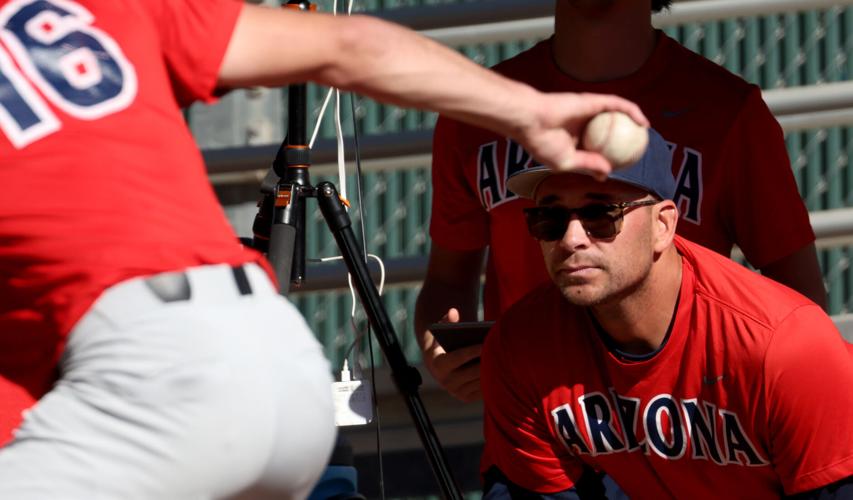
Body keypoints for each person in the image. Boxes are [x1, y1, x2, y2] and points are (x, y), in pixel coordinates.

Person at [0, 0, 646, 497]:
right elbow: (350, 44)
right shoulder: (90, 9)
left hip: (146, 379)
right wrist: (526, 111)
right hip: (277, 361)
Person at [416, 0, 826, 403]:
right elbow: (448, 279)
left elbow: (799, 298)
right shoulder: (476, 113)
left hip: (683, 422)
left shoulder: (728, 111)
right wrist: (444, 350)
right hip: (536, 417)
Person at [479, 128, 853, 499]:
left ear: (663, 225)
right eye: (550, 218)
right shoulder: (521, 348)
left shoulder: (783, 344)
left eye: (600, 213)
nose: (571, 238)